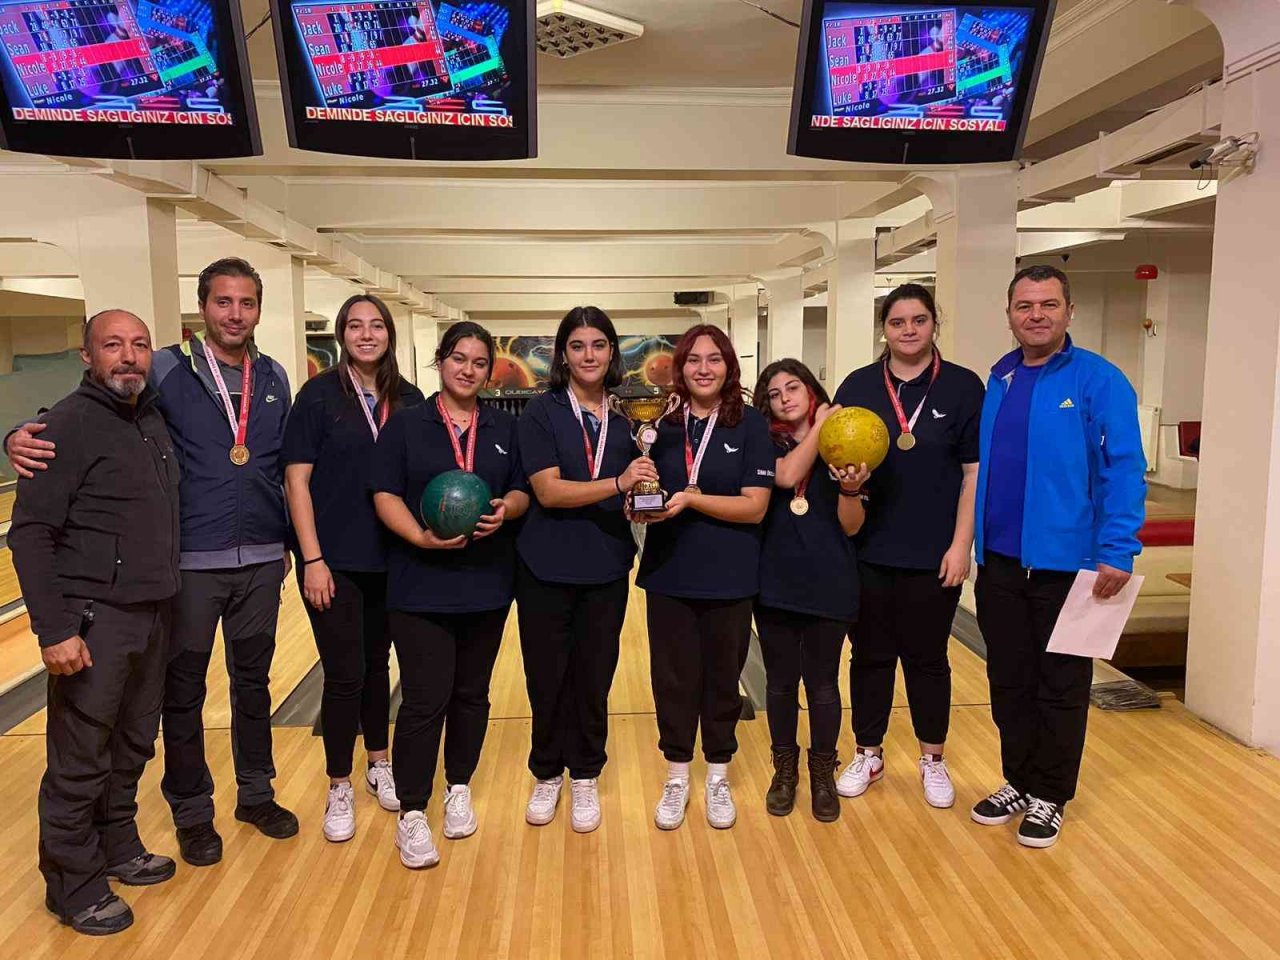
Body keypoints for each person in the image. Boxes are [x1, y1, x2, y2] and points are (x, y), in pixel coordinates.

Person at [8, 257, 299, 867]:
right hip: (190, 563)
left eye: (247, 303)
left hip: (262, 562)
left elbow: (280, 466)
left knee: (254, 685)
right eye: (224, 302)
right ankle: (192, 813)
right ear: (203, 307)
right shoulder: (166, 366)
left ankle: (256, 793)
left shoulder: (274, 377)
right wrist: (23, 429)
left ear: (258, 310)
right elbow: (97, 410)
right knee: (183, 694)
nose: (235, 314)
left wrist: (295, 550)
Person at [10, 311, 180, 935]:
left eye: (138, 345)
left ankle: (118, 845)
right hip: (93, 619)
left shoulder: (151, 418)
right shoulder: (67, 425)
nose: (129, 356)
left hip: (152, 613)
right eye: (113, 345)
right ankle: (72, 884)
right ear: (87, 355)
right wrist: (54, 630)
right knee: (80, 759)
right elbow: (28, 533)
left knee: (132, 745)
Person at [971, 265, 1145, 848]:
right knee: (1008, 681)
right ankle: (1018, 779)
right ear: (1010, 314)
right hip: (998, 562)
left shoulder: (1100, 380)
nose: (1036, 315)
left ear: (1069, 311)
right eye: (1025, 305)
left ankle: (1051, 794)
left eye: (1048, 304)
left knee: (1061, 684)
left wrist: (1117, 549)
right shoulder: (1000, 378)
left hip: (1070, 568)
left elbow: (1123, 468)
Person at [371, 321, 529, 868]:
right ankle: (412, 812)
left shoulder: (504, 428)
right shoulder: (407, 426)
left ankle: (457, 787)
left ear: (489, 371)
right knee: (424, 697)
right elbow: (384, 494)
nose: (468, 369)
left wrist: (508, 508)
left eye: (480, 362)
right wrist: (419, 536)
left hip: (486, 582)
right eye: (458, 358)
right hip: (419, 582)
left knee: (472, 694)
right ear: (441, 362)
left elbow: (523, 488)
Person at [831, 284, 985, 809]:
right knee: (870, 657)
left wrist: (962, 545)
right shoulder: (858, 385)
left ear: (933, 324)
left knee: (928, 659)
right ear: (884, 328)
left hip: (933, 553)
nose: (909, 330)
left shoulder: (964, 388)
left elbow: (973, 475)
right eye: (898, 322)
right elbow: (840, 469)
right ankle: (868, 753)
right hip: (869, 550)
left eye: (919, 320)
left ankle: (932, 759)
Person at [282, 295, 425, 843]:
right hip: (334, 561)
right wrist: (311, 558)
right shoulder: (318, 396)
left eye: (377, 326)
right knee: (344, 674)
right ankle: (338, 782)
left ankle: (379, 761)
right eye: (355, 326)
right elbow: (297, 482)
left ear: (389, 333)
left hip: (393, 559)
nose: (367, 335)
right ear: (342, 333)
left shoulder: (409, 399)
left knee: (377, 667)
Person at [516, 307, 658, 833]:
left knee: (594, 677)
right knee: (547, 677)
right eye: (578, 346)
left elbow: (637, 490)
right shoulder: (541, 412)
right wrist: (620, 484)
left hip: (605, 568)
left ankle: (586, 775)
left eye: (598, 345)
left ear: (612, 352)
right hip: (545, 568)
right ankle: (548, 771)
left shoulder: (629, 419)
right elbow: (549, 491)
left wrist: (639, 499)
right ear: (563, 354)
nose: (589, 355)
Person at [635, 324, 774, 831]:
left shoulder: (750, 425)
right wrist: (642, 507)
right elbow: (646, 488)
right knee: (672, 681)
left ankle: (717, 774)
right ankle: (677, 775)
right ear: (681, 367)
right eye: (693, 359)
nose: (703, 368)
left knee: (721, 681)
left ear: (728, 366)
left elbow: (754, 507)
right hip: (670, 574)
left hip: (731, 576)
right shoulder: (660, 426)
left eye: (714, 359)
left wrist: (691, 498)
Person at [751, 359, 868, 822]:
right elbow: (783, 477)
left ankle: (822, 772)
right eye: (775, 393)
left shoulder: (847, 438)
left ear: (811, 388)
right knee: (779, 684)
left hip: (830, 578)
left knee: (822, 684)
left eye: (793, 387)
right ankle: (785, 771)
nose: (784, 398)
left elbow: (851, 526)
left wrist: (852, 489)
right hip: (774, 578)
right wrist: (821, 425)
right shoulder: (762, 441)